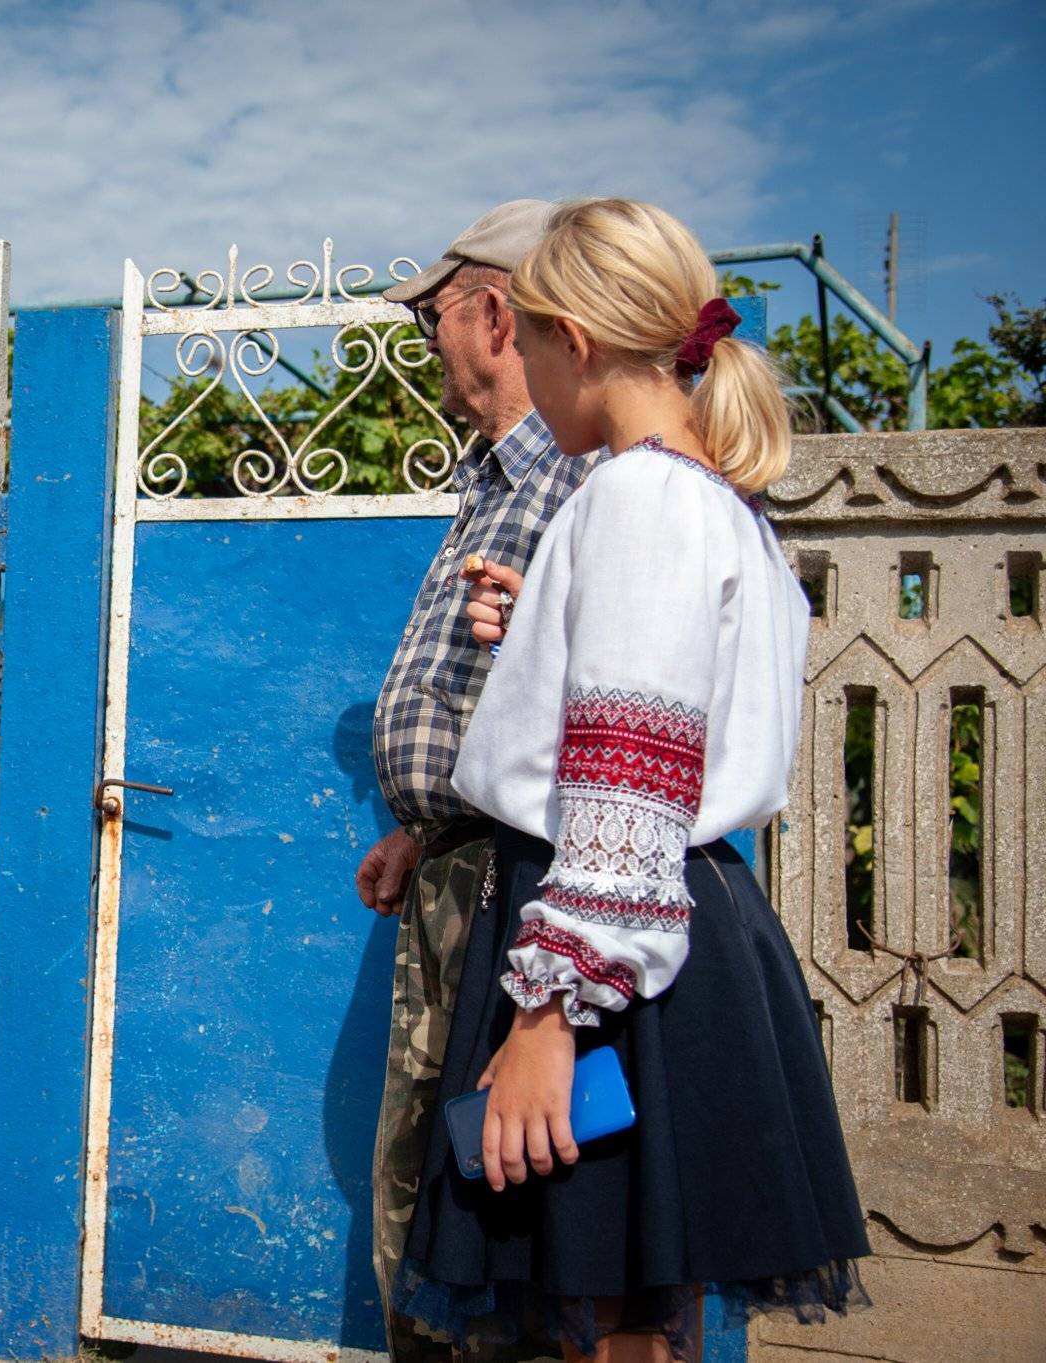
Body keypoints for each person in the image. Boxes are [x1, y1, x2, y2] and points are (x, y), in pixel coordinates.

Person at [394, 199, 870, 1363]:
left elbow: (628, 778)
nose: (528, 376)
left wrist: (551, 1012)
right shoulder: (720, 506)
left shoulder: (636, 497)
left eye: (534, 346)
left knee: (604, 1328)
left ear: (575, 340)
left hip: (605, 948)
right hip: (670, 930)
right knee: (632, 1319)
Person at [358, 199, 595, 1363]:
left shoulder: (584, 480)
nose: (430, 343)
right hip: (458, 866)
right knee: (433, 1171)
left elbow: (602, 713)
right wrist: (422, 823)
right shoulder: (494, 478)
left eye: (436, 317)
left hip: (529, 888)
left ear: (494, 312)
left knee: (495, 1183)